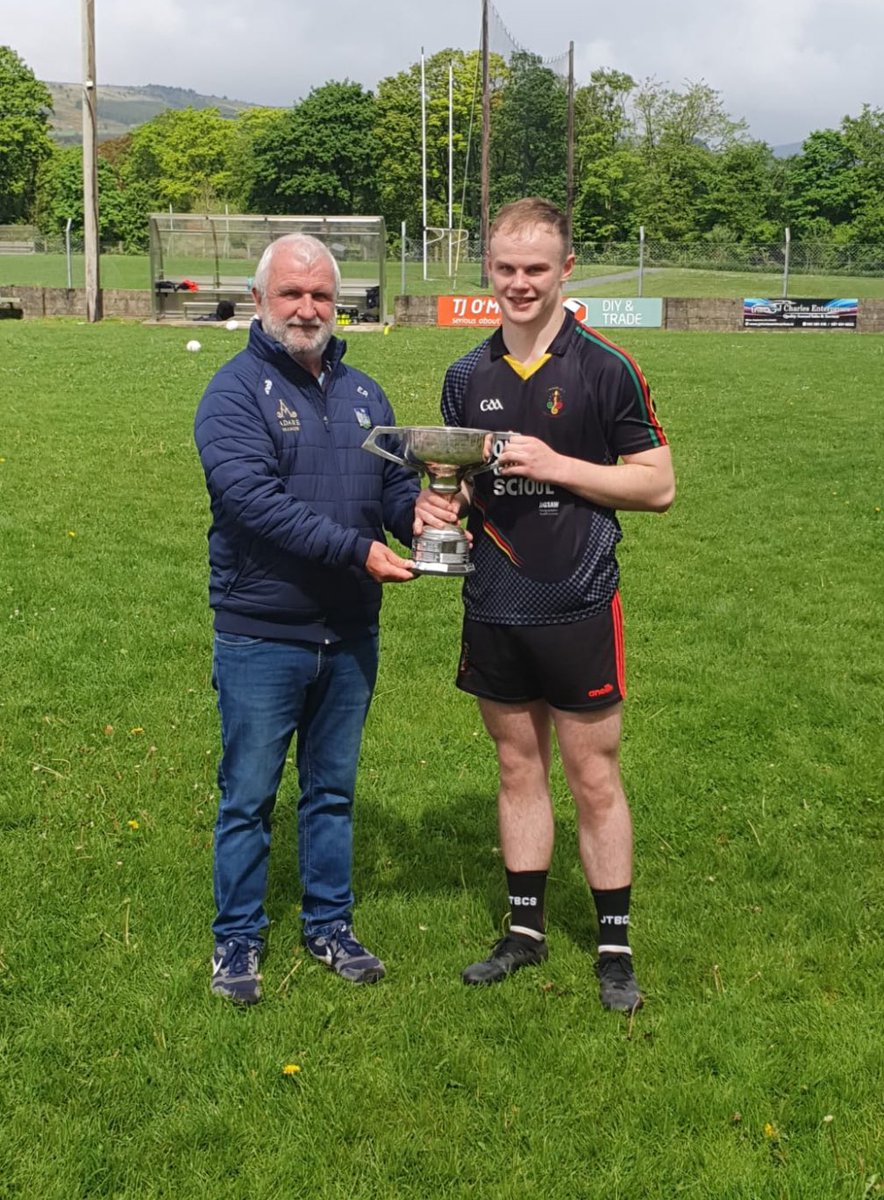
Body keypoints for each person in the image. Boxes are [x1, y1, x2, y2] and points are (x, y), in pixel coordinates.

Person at [414, 198, 675, 1012]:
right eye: (505, 268)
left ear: (566, 269)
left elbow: (658, 485)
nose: (520, 284)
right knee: (516, 766)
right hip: (493, 599)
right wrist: (439, 506)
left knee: (593, 775)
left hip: (578, 601)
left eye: (536, 269)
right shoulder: (466, 375)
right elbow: (455, 479)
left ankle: (613, 948)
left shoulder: (606, 367)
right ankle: (523, 933)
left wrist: (560, 466)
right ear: (486, 269)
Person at [194, 233, 417, 1005]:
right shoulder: (232, 394)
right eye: (291, 293)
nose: (307, 308)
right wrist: (360, 553)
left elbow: (391, 491)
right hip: (263, 632)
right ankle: (237, 940)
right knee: (248, 796)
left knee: (331, 792)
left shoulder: (365, 394)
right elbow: (254, 506)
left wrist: (423, 516)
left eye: (321, 294)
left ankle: (329, 924)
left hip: (350, 633)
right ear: (260, 301)